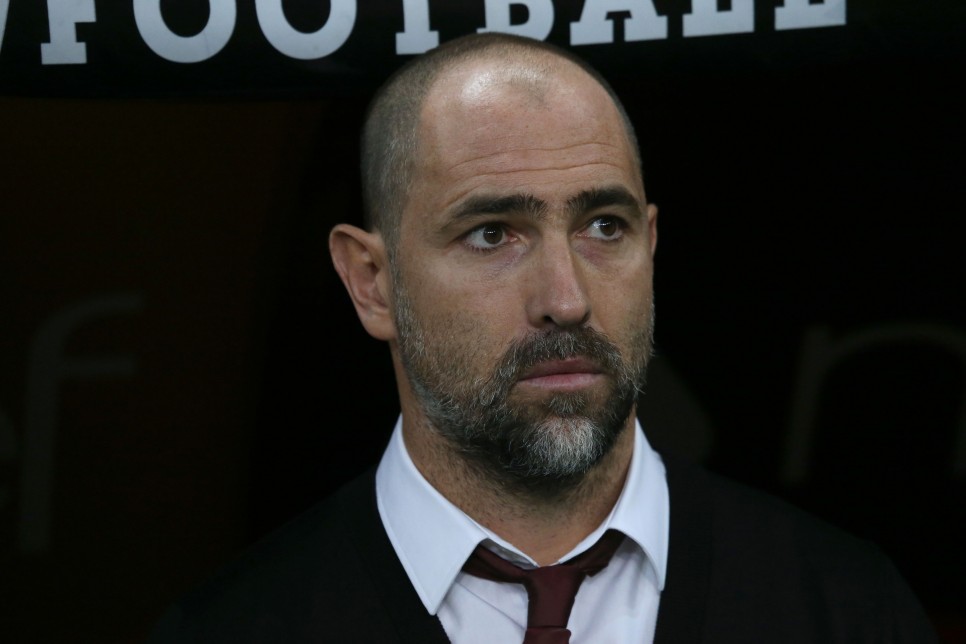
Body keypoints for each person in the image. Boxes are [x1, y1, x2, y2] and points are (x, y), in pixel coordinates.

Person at [146, 32, 938, 643]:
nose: (567, 300)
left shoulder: (845, 607)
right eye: (493, 233)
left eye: (604, 226)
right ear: (371, 282)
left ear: (651, 245)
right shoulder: (231, 631)